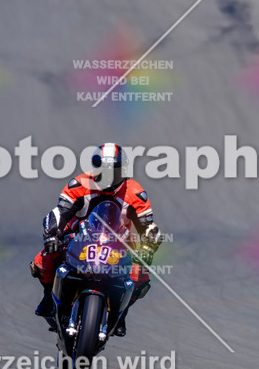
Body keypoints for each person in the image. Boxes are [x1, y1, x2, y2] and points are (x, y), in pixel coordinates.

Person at [31, 143, 163, 336]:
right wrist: (52, 235)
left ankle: (120, 313)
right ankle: (49, 298)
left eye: (113, 172)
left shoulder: (135, 193)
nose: (108, 178)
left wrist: (148, 247)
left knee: (140, 274)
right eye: (102, 171)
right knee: (43, 260)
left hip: (118, 245)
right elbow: (60, 213)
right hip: (77, 239)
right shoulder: (78, 184)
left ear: (123, 171)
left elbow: (148, 227)